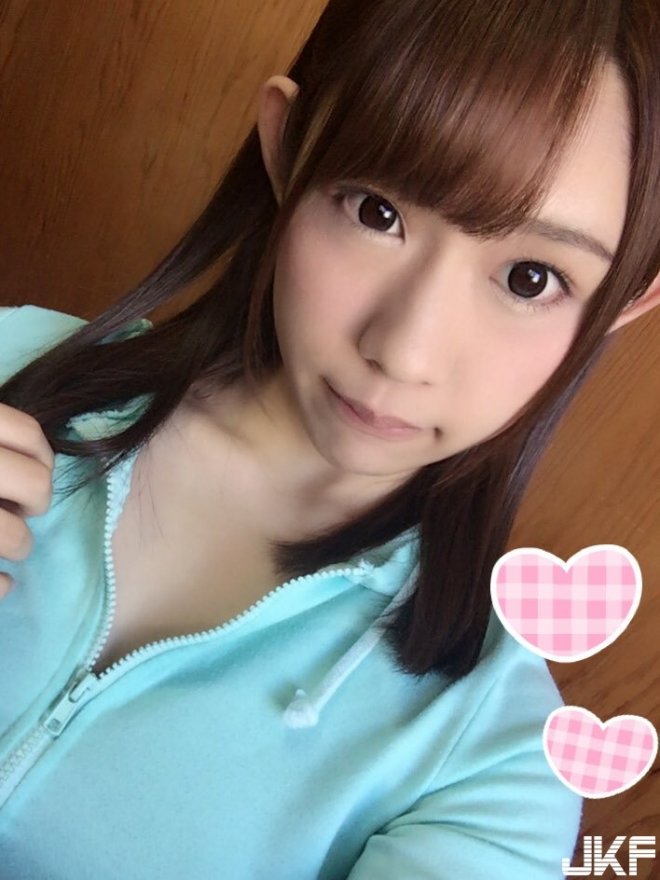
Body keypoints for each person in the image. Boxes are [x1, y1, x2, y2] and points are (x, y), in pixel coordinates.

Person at [0, 0, 658, 877]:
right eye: (377, 212)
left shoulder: (492, 769)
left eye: (531, 278)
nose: (405, 351)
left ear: (624, 303)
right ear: (287, 146)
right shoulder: (13, 363)